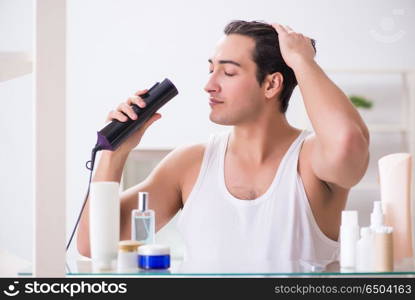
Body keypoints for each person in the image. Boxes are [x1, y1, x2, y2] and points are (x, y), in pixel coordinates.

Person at [77, 20, 369, 265]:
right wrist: (113, 154)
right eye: (210, 69)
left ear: (271, 84)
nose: (209, 84)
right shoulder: (189, 164)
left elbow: (348, 141)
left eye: (228, 72)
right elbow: (93, 245)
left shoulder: (311, 161)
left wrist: (301, 60)